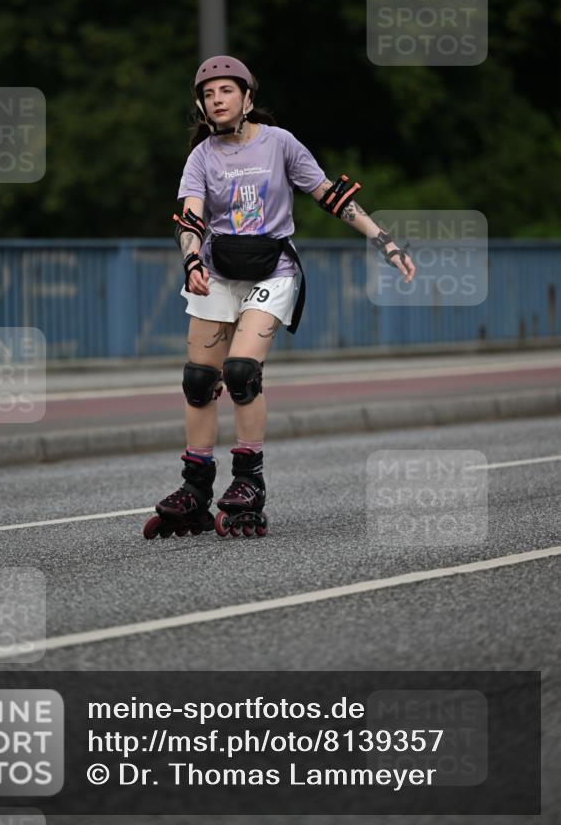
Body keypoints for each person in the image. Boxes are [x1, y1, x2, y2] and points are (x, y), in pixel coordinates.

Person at [143, 55, 415, 540]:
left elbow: (330, 195)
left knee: (241, 371)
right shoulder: (202, 155)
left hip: (273, 267)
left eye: (226, 91)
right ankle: (196, 488)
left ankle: (248, 482)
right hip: (218, 270)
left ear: (247, 98)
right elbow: (190, 218)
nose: (216, 100)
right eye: (208, 94)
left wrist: (385, 240)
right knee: (198, 379)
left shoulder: (280, 143)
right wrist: (192, 261)